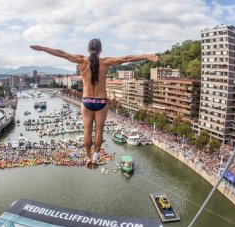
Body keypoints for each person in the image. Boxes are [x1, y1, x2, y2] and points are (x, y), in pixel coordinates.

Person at [30, 39, 158, 167]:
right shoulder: (106, 62)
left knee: (87, 131)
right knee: (99, 131)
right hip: (101, 101)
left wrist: (42, 48)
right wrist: (145, 56)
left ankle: (88, 157)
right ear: (101, 50)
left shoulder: (81, 60)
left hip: (87, 101)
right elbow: (126, 58)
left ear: (88, 49)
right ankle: (96, 158)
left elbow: (61, 53)